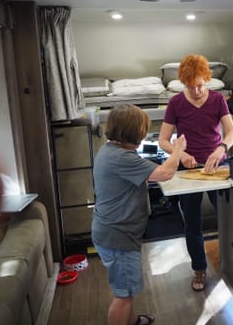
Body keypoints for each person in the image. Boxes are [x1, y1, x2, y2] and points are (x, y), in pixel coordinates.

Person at [91, 104, 186, 325]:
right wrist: (178, 148)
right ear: (133, 133)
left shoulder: (110, 151)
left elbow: (146, 172)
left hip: (114, 232)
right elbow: (165, 173)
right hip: (118, 236)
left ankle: (132, 321)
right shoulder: (122, 159)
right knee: (123, 294)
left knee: (127, 288)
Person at [158, 54, 233, 291]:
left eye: (200, 85)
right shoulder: (175, 103)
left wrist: (221, 148)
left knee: (229, 218)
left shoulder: (218, 100)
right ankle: (199, 269)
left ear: (207, 79)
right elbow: (163, 140)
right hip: (188, 168)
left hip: (217, 165)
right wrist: (180, 154)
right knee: (192, 223)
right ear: (183, 83)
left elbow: (231, 132)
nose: (196, 90)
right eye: (191, 87)